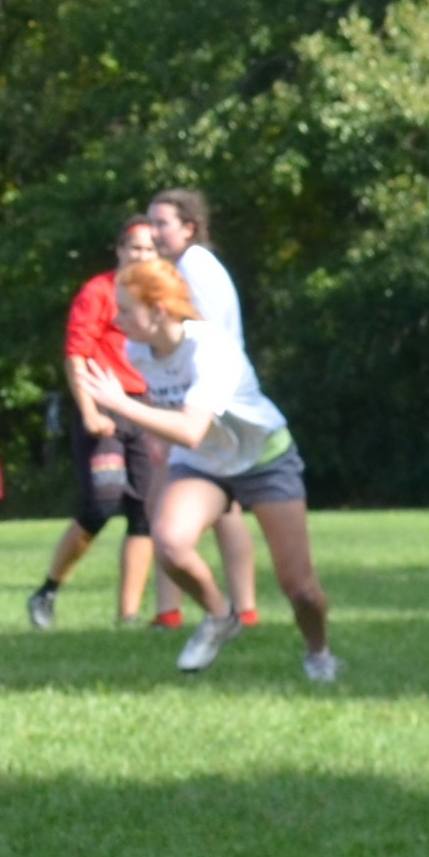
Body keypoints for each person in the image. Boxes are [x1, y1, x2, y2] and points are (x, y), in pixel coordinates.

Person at [79, 253, 338, 682]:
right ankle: (221, 615)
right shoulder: (137, 348)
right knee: (169, 542)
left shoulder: (211, 347)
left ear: (158, 310)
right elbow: (166, 408)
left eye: (125, 309)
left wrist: (122, 406)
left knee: (301, 588)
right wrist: (153, 437)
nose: (116, 319)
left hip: (262, 458)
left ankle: (319, 654)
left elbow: (193, 428)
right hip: (204, 464)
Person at [26, 219, 163, 633]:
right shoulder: (99, 291)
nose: (141, 255)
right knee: (101, 504)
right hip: (104, 406)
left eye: (150, 248)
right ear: (119, 250)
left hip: (146, 408)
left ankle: (128, 616)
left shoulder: (161, 294)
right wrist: (89, 411)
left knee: (145, 514)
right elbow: (76, 355)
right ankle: (47, 590)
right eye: (134, 247)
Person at [143, 188, 253, 625]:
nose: (154, 233)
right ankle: (238, 609)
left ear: (189, 226)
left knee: (170, 500)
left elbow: (201, 337)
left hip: (208, 400)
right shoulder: (188, 265)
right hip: (210, 399)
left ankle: (177, 610)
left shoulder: (194, 266)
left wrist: (173, 413)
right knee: (224, 507)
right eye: (150, 223)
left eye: (162, 223)